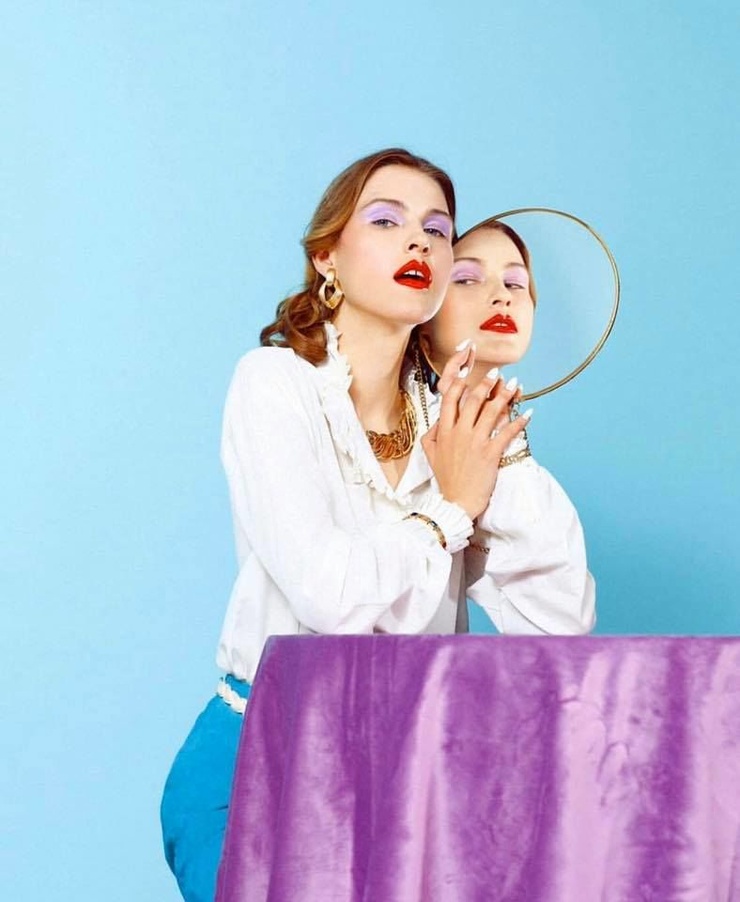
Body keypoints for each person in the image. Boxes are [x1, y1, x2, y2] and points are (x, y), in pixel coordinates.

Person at [160, 150, 532, 902]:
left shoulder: (455, 423)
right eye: (387, 220)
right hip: (264, 766)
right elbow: (329, 596)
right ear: (327, 256)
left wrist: (509, 455)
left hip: (408, 778)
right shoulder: (274, 384)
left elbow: (551, 621)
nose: (419, 240)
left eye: (438, 230)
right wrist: (447, 514)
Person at [417, 218, 596, 635]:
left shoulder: (513, 466)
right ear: (423, 314)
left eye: (516, 283)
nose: (502, 296)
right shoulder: (372, 422)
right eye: (466, 279)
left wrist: (504, 451)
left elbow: (560, 628)